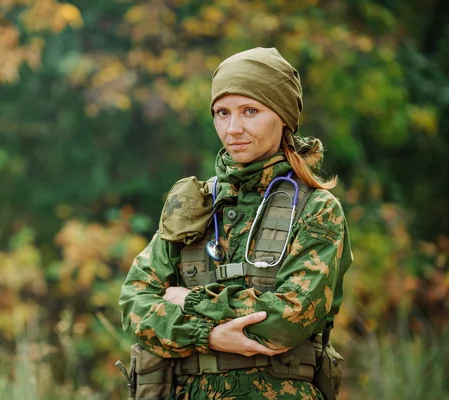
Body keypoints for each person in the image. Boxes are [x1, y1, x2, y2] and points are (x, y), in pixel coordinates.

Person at [119, 47, 352, 400]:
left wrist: (192, 301)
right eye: (221, 113)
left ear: (283, 116)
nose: (233, 128)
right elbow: (135, 305)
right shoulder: (196, 204)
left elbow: (289, 318)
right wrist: (208, 336)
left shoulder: (316, 209)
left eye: (250, 111)